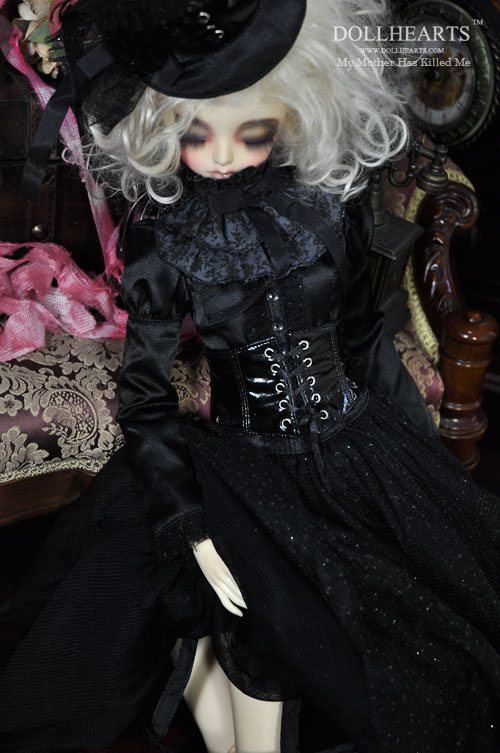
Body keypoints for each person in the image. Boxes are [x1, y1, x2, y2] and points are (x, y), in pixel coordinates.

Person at [2, 1, 500, 752]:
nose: (223, 156)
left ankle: (206, 672)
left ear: (294, 115)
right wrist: (190, 525)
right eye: (196, 134)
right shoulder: (164, 236)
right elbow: (145, 394)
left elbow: (364, 335)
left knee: (426, 650)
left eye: (253, 132)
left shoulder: (328, 205)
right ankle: (200, 669)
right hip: (244, 461)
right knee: (253, 605)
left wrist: (420, 467)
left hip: (352, 440)